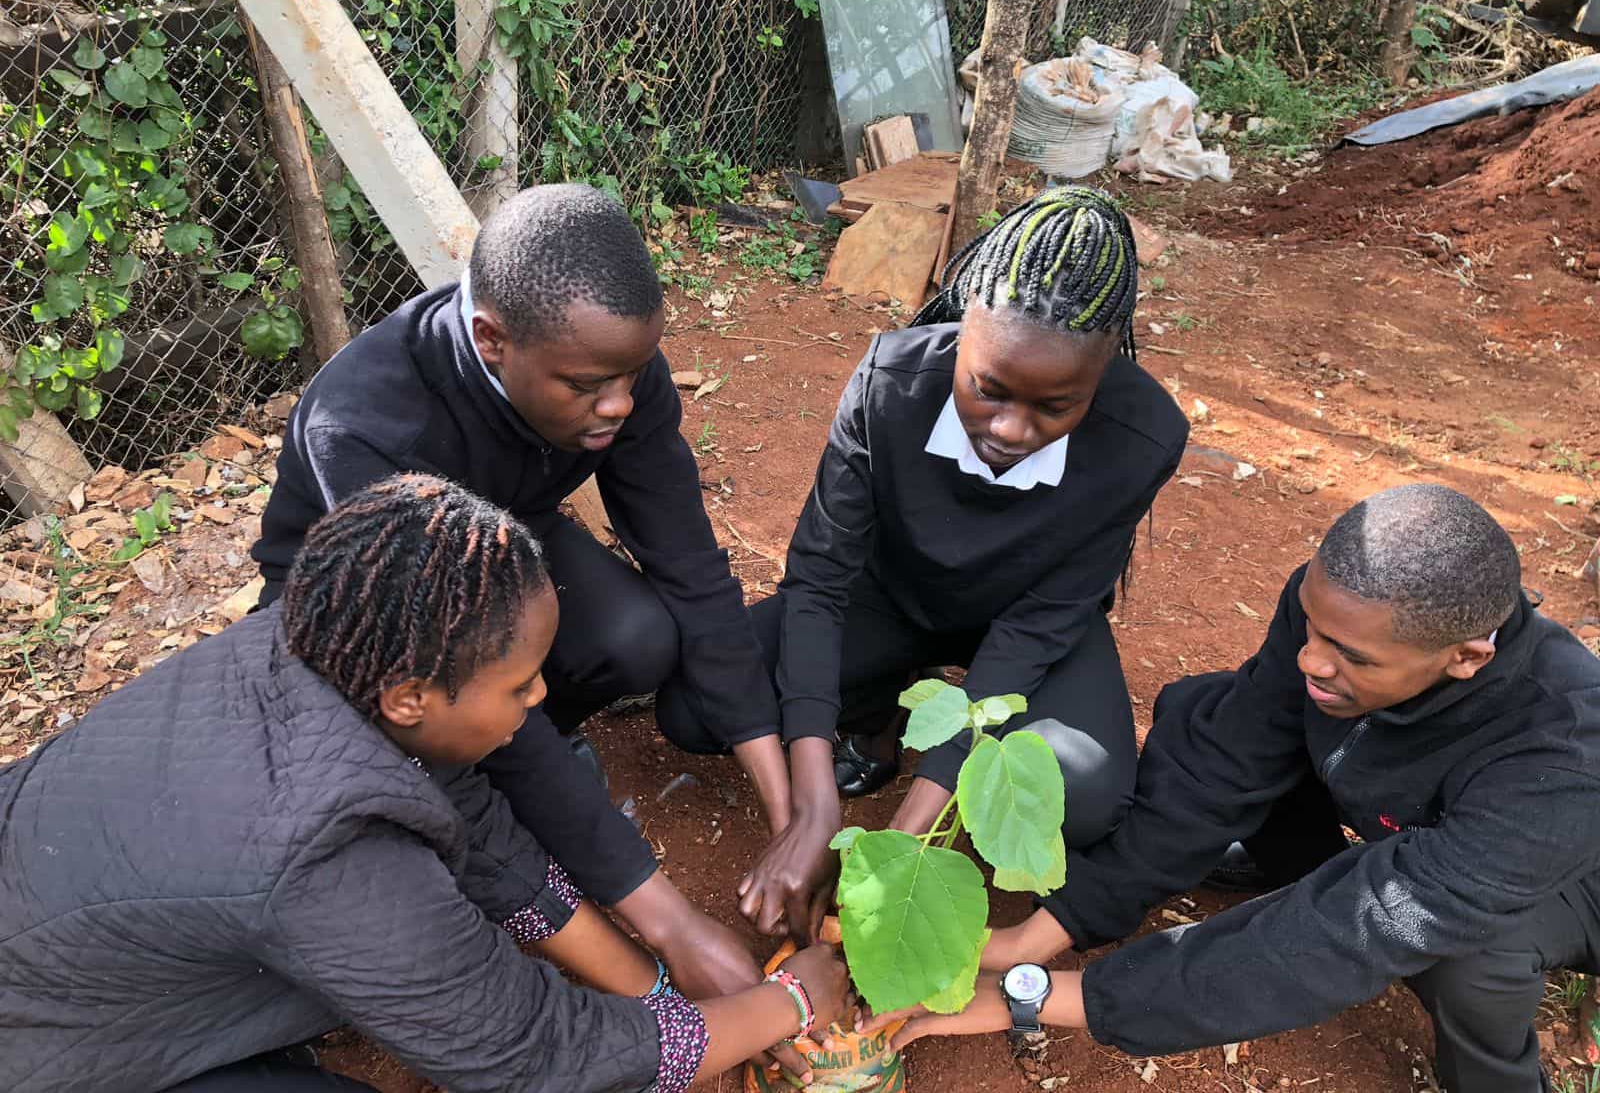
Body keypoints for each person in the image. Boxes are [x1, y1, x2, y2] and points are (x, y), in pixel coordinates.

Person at [0, 475, 852, 1093]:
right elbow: (532, 1057)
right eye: (519, 686)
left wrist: (657, 970)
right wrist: (787, 1004)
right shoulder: (331, 864)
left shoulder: (302, 642)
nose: (543, 696)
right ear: (409, 697)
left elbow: (469, 819)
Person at [864, 484, 1600, 1093]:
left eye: (1349, 657)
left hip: (1566, 887)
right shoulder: (1342, 622)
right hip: (1414, 822)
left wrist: (1039, 997)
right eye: (1309, 625)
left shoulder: (1560, 752)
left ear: (1467, 657)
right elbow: (1229, 761)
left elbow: (1364, 922)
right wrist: (1045, 930)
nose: (1311, 658)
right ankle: (1290, 869)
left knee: (1468, 955)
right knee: (1209, 713)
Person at [251, 184, 783, 994]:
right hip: (363, 608)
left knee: (636, 639)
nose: (619, 405)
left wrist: (788, 812)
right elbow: (462, 662)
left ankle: (527, 748)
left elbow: (691, 566)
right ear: (492, 339)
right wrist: (670, 925)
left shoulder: (606, 364)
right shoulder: (365, 425)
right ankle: (497, 766)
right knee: (425, 756)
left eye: (633, 375)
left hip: (504, 549)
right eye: (586, 387)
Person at [660, 187, 1189, 938]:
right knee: (696, 706)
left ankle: (910, 731)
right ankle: (873, 724)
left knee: (1087, 791)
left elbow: (1037, 628)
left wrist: (902, 846)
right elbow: (818, 583)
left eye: (1056, 407)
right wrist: (813, 807)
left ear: (1100, 374)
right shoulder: (889, 384)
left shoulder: (1145, 436)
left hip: (1029, 626)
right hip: (892, 599)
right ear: (964, 321)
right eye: (989, 389)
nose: (1010, 429)